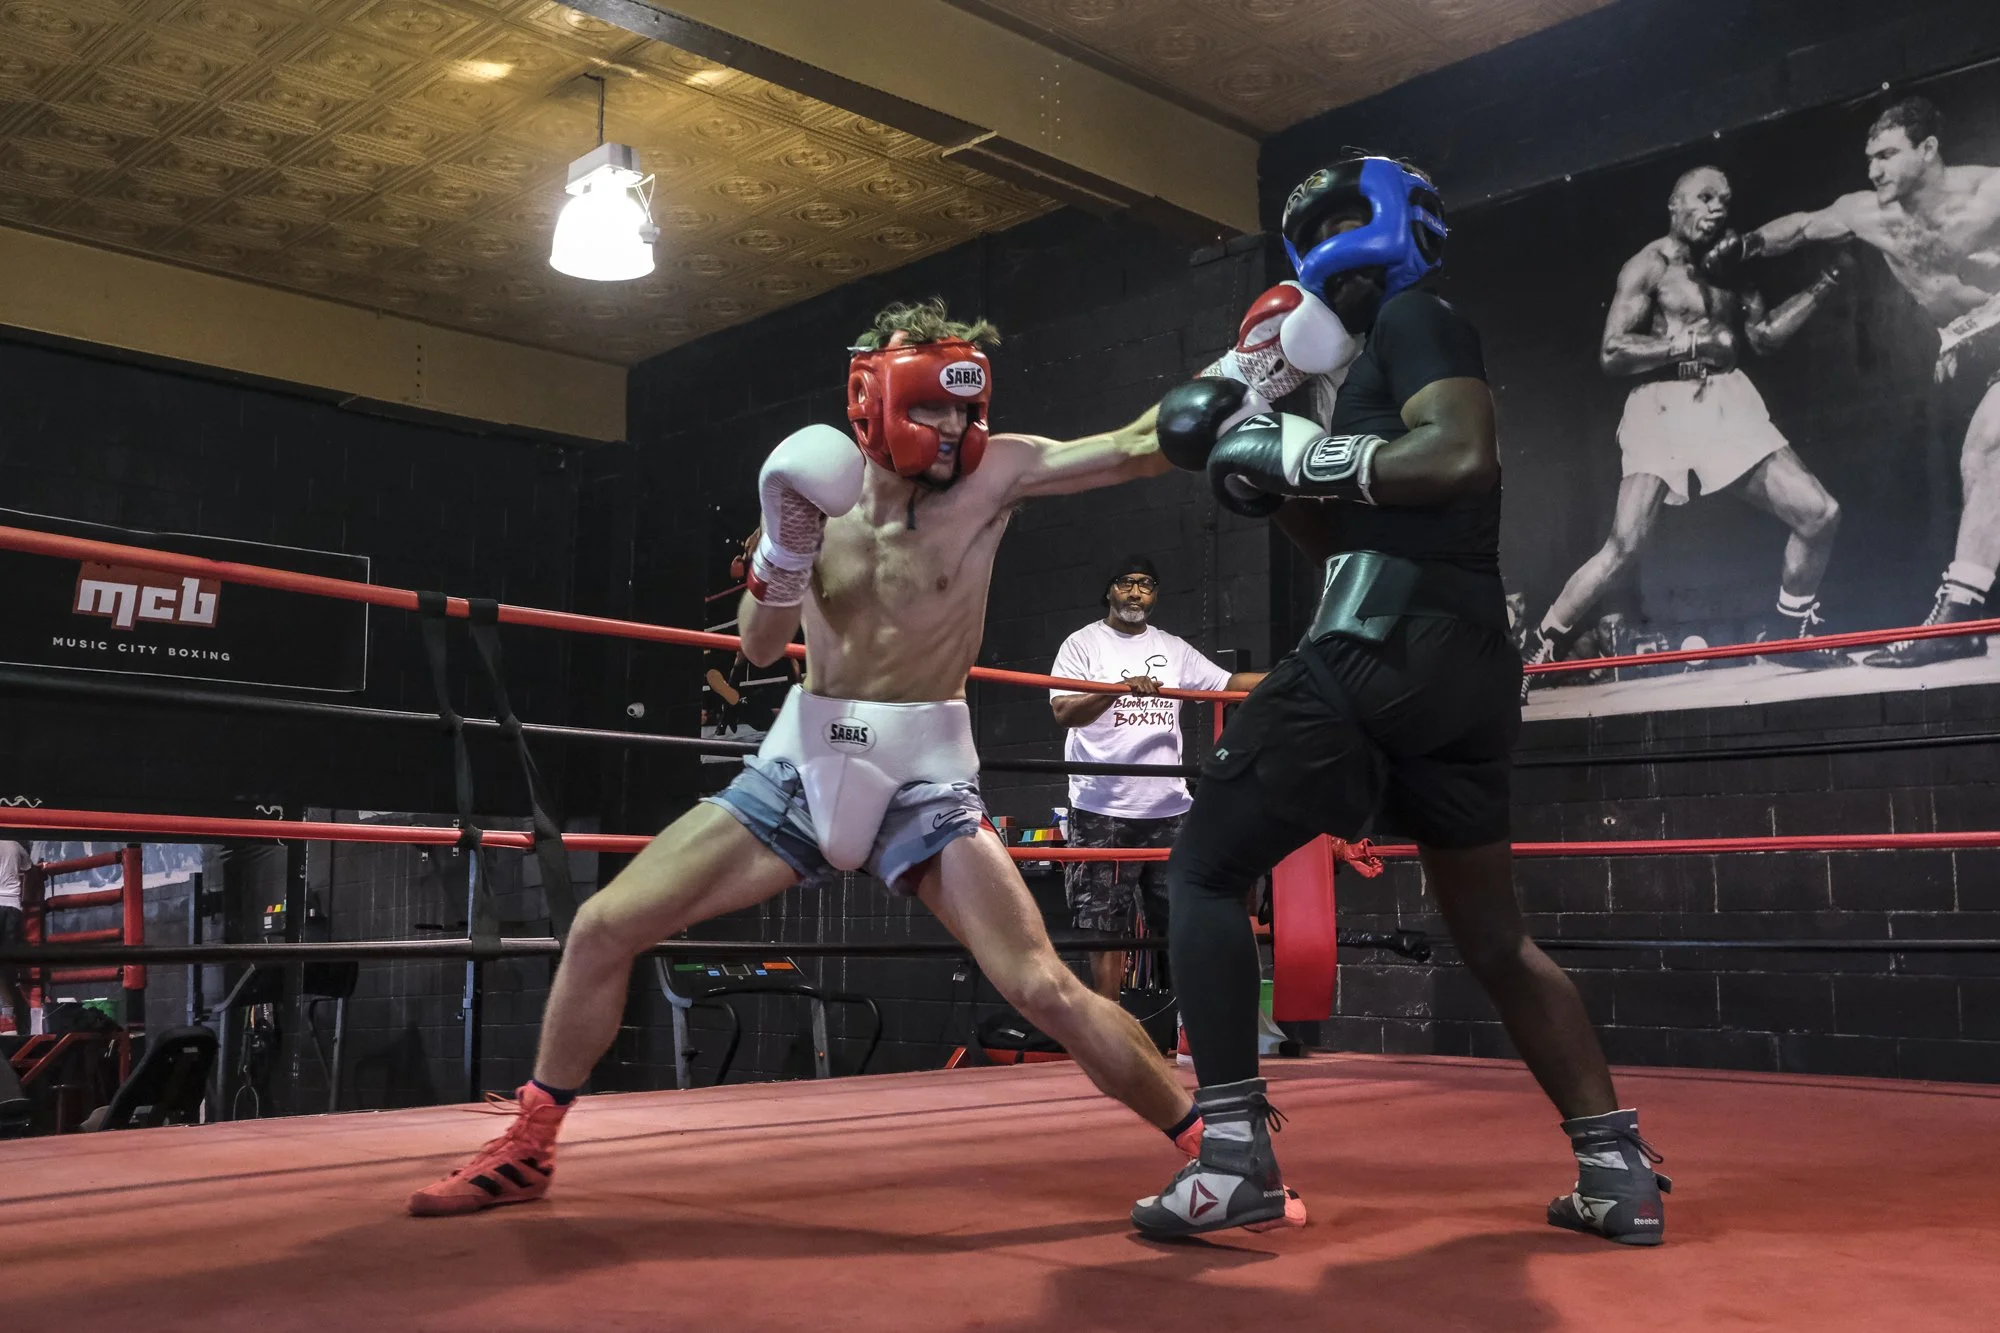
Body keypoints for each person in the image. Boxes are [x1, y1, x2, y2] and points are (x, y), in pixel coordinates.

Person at [410, 299, 1206, 1216]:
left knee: (1040, 985)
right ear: (872, 396)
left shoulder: (999, 477)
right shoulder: (809, 494)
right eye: (934, 406)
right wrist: (785, 545)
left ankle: (1214, 1148)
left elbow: (1139, 440)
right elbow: (755, 646)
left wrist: (1256, 367)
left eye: (966, 407)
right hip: (802, 763)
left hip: (925, 774)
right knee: (601, 926)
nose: (955, 430)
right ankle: (530, 1147)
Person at [1131, 156, 1668, 1243]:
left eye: (1341, 214)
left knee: (1201, 868)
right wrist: (1266, 480)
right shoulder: (1373, 364)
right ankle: (1614, 1169)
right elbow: (1351, 517)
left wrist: (1299, 448)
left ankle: (1230, 1156)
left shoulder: (1421, 319)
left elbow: (1459, 457)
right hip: (1462, 673)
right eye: (1313, 223)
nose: (1332, 239)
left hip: (1382, 646)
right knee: (1494, 939)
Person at [1524, 166, 1852, 691]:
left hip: (1726, 399)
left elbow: (1764, 338)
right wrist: (1691, 344)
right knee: (1624, 545)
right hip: (1662, 404)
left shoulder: (1733, 268)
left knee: (1820, 514)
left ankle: (1791, 627)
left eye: (1725, 199)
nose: (1716, 207)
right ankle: (1541, 643)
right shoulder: (1650, 265)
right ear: (1674, 205)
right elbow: (1611, 351)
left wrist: (1825, 284)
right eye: (1703, 197)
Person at [1720, 97, 2000, 667]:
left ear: (1928, 150)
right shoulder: (1867, 212)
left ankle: (1957, 619)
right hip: (1974, 346)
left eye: (1889, 154)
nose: (1875, 169)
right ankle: (1965, 621)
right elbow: (1800, 229)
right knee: (1983, 470)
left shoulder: (1989, 192)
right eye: (1870, 157)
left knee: (1986, 452)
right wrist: (1746, 244)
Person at [1048, 555, 1263, 999]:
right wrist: (1117, 691)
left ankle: (1193, 1031)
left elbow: (1226, 684)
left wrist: (1294, 675)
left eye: (1146, 585)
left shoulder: (1172, 647)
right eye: (1126, 583)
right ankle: (1109, 1034)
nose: (1136, 593)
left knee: (1185, 919)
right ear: (1109, 589)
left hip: (1170, 810)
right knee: (1103, 924)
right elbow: (1063, 711)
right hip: (1103, 808)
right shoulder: (1083, 644)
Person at [0, 840, 30, 1035]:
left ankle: (8, 1018)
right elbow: (29, 868)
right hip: (13, 906)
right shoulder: (15, 845)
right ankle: (9, 1018)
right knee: (7, 966)